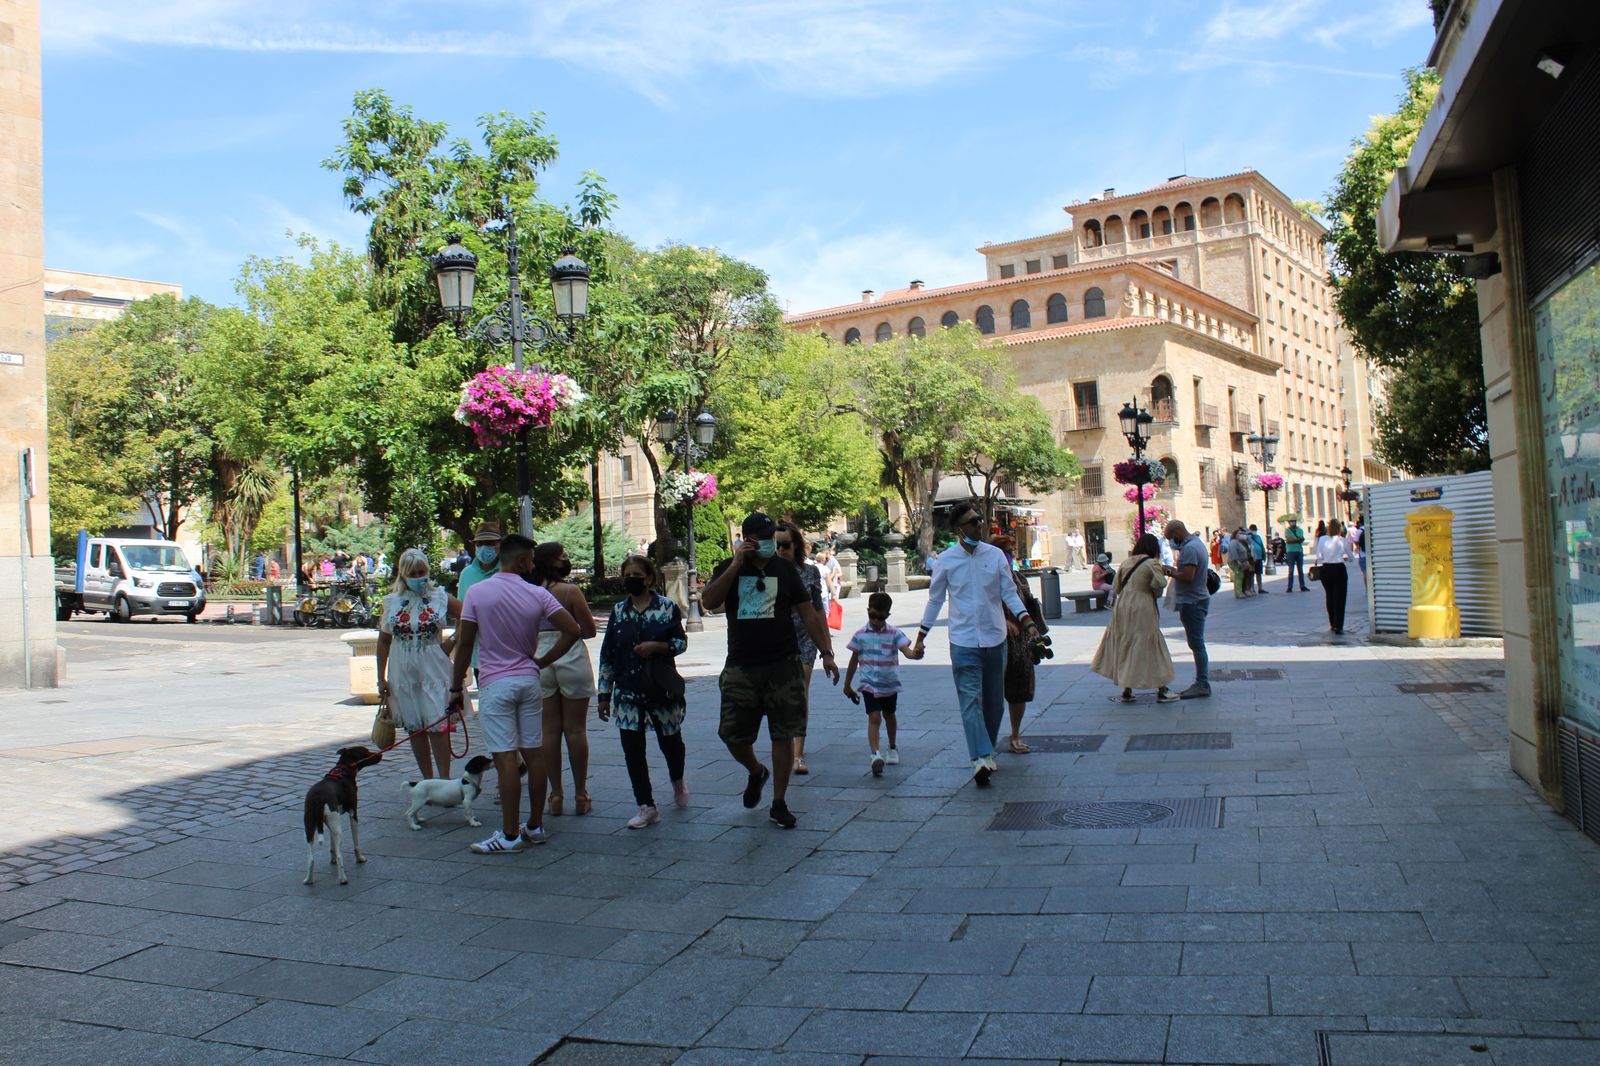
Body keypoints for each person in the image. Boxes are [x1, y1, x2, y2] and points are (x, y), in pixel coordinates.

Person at [701, 512, 840, 830]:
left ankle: (779, 802)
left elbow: (808, 613)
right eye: (763, 537)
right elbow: (709, 601)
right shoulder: (730, 567)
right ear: (747, 539)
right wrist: (736, 565)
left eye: (772, 537)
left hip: (783, 664)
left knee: (783, 733)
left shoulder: (785, 570)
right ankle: (755, 771)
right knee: (732, 734)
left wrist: (827, 653)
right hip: (742, 665)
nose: (770, 543)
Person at [448, 534, 582, 854]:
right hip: (528, 680)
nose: (533, 565)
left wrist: (456, 687)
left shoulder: (478, 593)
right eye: (531, 560)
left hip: (496, 682)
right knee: (533, 754)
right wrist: (542, 661)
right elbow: (573, 630)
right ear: (521, 561)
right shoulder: (538, 593)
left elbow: (465, 644)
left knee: (506, 757)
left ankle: (509, 835)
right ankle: (534, 826)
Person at [912, 500, 1046, 787]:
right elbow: (935, 600)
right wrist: (922, 635)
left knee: (994, 703)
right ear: (960, 530)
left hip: (995, 638)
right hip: (962, 641)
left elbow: (1008, 594)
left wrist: (1027, 623)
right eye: (973, 522)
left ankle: (986, 750)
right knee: (970, 699)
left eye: (979, 521)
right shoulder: (946, 561)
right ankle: (981, 756)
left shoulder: (995, 556)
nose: (979, 525)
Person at [597, 555, 689, 829]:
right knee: (632, 750)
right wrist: (604, 694)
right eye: (627, 574)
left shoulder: (666, 608)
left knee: (671, 742)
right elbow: (608, 654)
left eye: (637, 574)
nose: (631, 579)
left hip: (661, 688)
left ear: (649, 579)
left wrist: (657, 647)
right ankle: (646, 805)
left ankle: (677, 780)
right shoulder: (618, 611)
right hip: (628, 690)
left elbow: (680, 643)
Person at [376, 548, 465, 780]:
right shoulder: (392, 602)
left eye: (421, 571)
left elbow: (467, 617)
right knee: (415, 728)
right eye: (412, 573)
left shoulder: (441, 597)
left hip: (434, 668)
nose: (418, 577)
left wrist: (452, 642)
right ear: (403, 575)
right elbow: (384, 640)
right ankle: (428, 780)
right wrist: (380, 678)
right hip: (403, 670)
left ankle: (444, 779)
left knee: (437, 725)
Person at [531, 542, 598, 817]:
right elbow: (590, 630)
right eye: (563, 556)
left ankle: (555, 795)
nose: (566, 560)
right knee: (575, 730)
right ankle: (580, 794)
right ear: (554, 562)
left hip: (539, 657)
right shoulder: (570, 591)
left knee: (548, 731)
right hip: (570, 655)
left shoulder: (530, 592)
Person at [1091, 532, 1177, 703]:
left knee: (1126, 643)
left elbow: (1116, 585)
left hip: (1123, 607)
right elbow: (1159, 584)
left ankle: (1127, 690)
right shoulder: (1152, 563)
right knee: (1150, 644)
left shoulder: (1126, 562)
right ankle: (1163, 689)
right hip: (1142, 606)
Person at [842, 592, 922, 774]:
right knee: (874, 717)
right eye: (872, 616)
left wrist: (915, 654)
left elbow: (906, 651)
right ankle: (875, 753)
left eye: (881, 617)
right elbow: (854, 660)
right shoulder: (860, 635)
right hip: (869, 683)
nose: (876, 621)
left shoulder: (894, 633)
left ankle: (892, 747)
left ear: (888, 615)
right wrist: (847, 685)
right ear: (867, 611)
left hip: (889, 684)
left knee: (889, 715)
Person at [777, 523, 825, 776]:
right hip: (778, 641)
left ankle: (797, 754)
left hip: (805, 640)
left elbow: (818, 610)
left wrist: (826, 650)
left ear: (795, 545)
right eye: (776, 545)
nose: (781, 550)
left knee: (800, 694)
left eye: (785, 544)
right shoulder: (768, 573)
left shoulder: (810, 573)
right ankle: (785, 743)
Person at [993, 534, 1044, 754]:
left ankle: (1015, 735)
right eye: (1007, 552)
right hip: (996, 639)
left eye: (1011, 552)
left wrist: (1032, 626)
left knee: (1020, 689)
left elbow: (1026, 603)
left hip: (1021, 641)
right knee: (994, 691)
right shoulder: (990, 576)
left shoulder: (1018, 577)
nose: (1010, 556)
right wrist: (1001, 621)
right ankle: (988, 738)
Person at [1163, 519, 1211, 699]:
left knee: (1197, 644)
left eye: (1171, 538)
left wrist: (1169, 571)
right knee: (1196, 643)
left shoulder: (1190, 548)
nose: (1171, 542)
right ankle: (1201, 681)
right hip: (1196, 599)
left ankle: (1202, 682)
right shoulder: (1196, 544)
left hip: (1193, 601)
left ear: (1176, 534)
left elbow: (1188, 576)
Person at [456, 522, 503, 682]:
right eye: (480, 544)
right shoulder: (467, 574)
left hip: (509, 650)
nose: (485, 548)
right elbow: (461, 614)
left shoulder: (509, 570)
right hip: (479, 654)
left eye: (490, 543)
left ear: (499, 545)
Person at [1314, 518, 1356, 635]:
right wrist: (1344, 558)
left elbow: (1319, 556)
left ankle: (1332, 623)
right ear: (1339, 529)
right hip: (1338, 568)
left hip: (1326, 569)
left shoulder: (1322, 539)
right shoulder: (1342, 540)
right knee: (1340, 598)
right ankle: (1339, 625)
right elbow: (1351, 557)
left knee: (1330, 596)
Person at [1283, 517, 1309, 591]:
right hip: (1290, 551)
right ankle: (1289, 587)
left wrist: (1293, 540)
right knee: (1291, 570)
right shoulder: (1287, 530)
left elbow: (1301, 539)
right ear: (1289, 523)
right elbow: (1288, 540)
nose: (1293, 523)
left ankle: (1302, 586)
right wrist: (1297, 540)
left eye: (1294, 521)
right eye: (1291, 521)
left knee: (1300, 569)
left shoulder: (1300, 530)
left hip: (1299, 551)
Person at [1227, 531, 1252, 598]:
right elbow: (1234, 552)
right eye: (1239, 533)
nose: (1241, 535)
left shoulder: (1239, 542)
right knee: (1238, 576)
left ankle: (1240, 592)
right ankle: (1239, 593)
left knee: (1240, 576)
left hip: (1240, 561)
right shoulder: (1234, 542)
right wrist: (1238, 562)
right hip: (1235, 562)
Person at [1247, 524, 1268, 595]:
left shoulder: (1258, 537)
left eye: (1255, 530)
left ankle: (1260, 588)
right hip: (1251, 558)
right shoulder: (1248, 538)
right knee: (1251, 574)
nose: (1254, 531)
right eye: (1253, 530)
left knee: (1259, 573)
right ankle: (1252, 589)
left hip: (1259, 558)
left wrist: (1264, 555)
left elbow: (1262, 546)